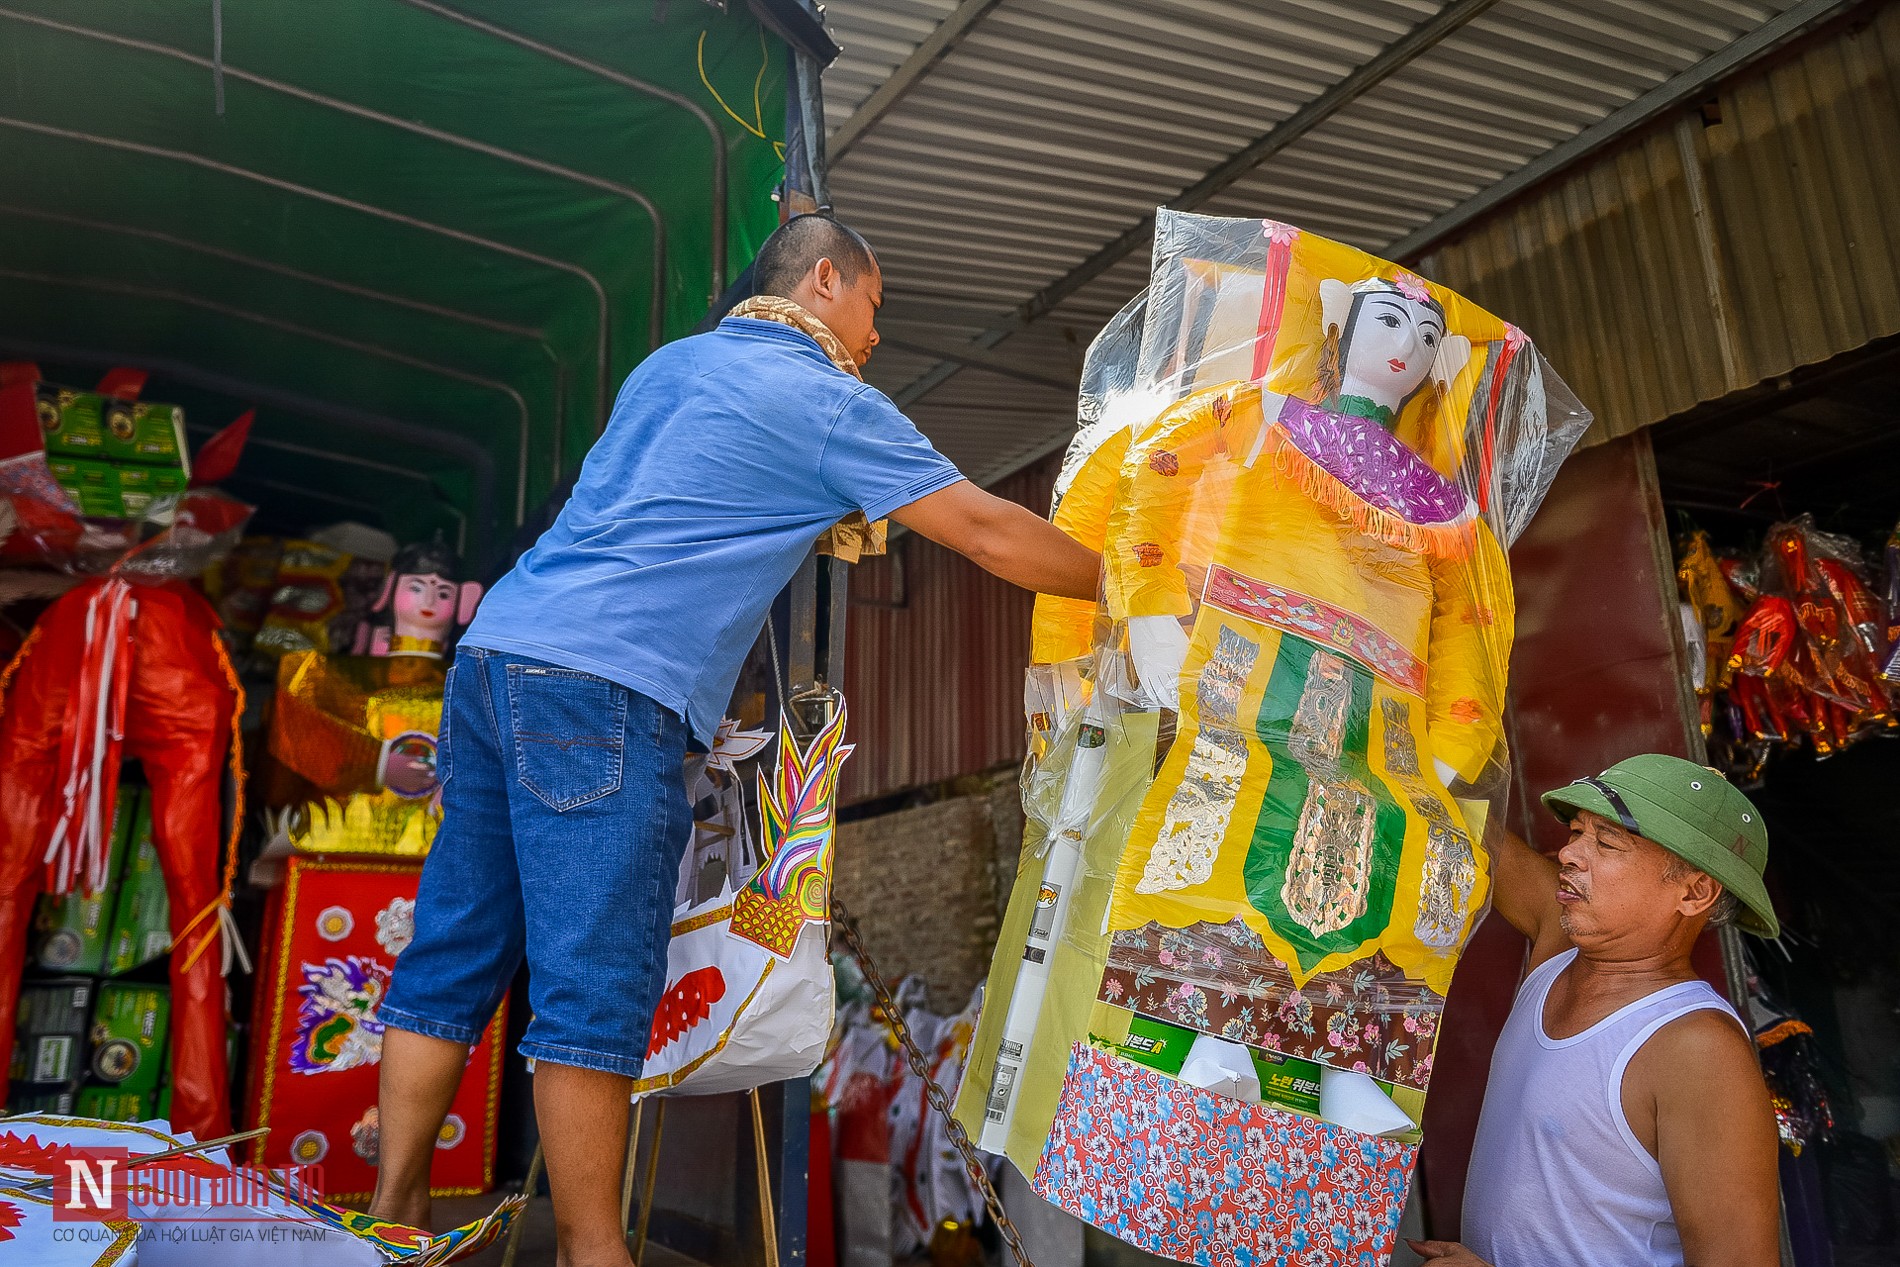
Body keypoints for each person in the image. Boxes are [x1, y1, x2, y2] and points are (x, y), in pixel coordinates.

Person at [366, 214, 1102, 1265]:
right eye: (873, 307)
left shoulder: (669, 367)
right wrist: (1148, 585)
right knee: (593, 985)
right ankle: (592, 1253)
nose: (876, 335)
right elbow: (988, 530)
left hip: (495, 661)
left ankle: (392, 1215)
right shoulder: (827, 401)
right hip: (601, 688)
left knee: (453, 948)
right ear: (825, 279)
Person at [1407, 753, 1782, 1267]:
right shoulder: (1561, 948)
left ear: (1694, 892)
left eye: (1607, 843)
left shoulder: (1695, 1048)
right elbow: (1475, 829)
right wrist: (1410, 735)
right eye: (1578, 832)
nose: (1569, 854)